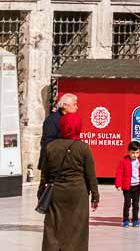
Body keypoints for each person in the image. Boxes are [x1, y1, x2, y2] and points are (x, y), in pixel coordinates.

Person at [39, 112, 98, 251]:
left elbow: (44, 173)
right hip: (78, 193)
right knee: (77, 228)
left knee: (53, 226)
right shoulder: (83, 147)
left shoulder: (51, 147)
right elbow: (90, 174)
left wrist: (41, 190)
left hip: (56, 192)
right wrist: (95, 195)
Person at [39, 93, 77, 182]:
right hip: (53, 165)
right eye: (74, 104)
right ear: (65, 106)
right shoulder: (52, 120)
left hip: (66, 164)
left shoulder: (71, 119)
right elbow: (48, 143)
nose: (76, 107)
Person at [114, 140, 140, 228]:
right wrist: (118, 184)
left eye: (137, 153)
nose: (135, 155)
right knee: (127, 204)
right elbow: (119, 174)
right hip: (127, 187)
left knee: (136, 204)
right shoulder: (124, 162)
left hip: (137, 186)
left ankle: (135, 219)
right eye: (133, 152)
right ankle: (125, 220)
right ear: (129, 152)